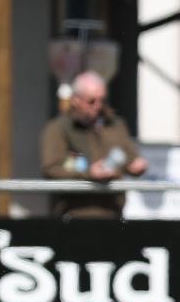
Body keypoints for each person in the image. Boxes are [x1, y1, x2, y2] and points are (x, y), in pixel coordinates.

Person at [40, 71, 148, 219]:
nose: (98, 106)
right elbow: (51, 169)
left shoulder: (115, 125)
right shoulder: (58, 128)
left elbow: (130, 158)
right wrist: (89, 174)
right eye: (91, 101)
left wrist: (137, 166)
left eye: (102, 100)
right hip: (75, 215)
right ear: (76, 100)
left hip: (112, 213)